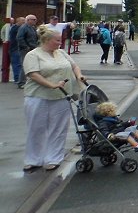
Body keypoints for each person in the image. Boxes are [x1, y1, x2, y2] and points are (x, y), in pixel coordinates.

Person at [21, 26, 88, 172]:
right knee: (36, 128)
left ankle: (54, 158)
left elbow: (74, 66)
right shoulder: (33, 55)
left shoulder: (61, 53)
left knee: (58, 128)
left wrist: (79, 76)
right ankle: (33, 159)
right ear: (46, 40)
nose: (60, 42)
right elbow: (33, 74)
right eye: (57, 40)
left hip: (61, 96)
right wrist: (51, 85)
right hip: (37, 96)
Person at [16, 14, 39, 87]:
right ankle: (21, 83)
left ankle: (29, 80)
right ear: (28, 20)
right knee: (25, 65)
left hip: (33, 49)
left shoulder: (32, 28)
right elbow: (19, 38)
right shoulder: (23, 28)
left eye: (35, 19)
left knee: (31, 65)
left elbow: (35, 37)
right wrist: (26, 47)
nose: (35, 21)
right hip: (25, 50)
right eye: (33, 19)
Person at [8, 17, 24, 85]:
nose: (24, 22)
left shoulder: (17, 28)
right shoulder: (16, 28)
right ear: (18, 21)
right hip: (15, 49)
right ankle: (17, 79)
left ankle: (19, 79)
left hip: (17, 49)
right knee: (17, 64)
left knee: (19, 64)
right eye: (23, 21)